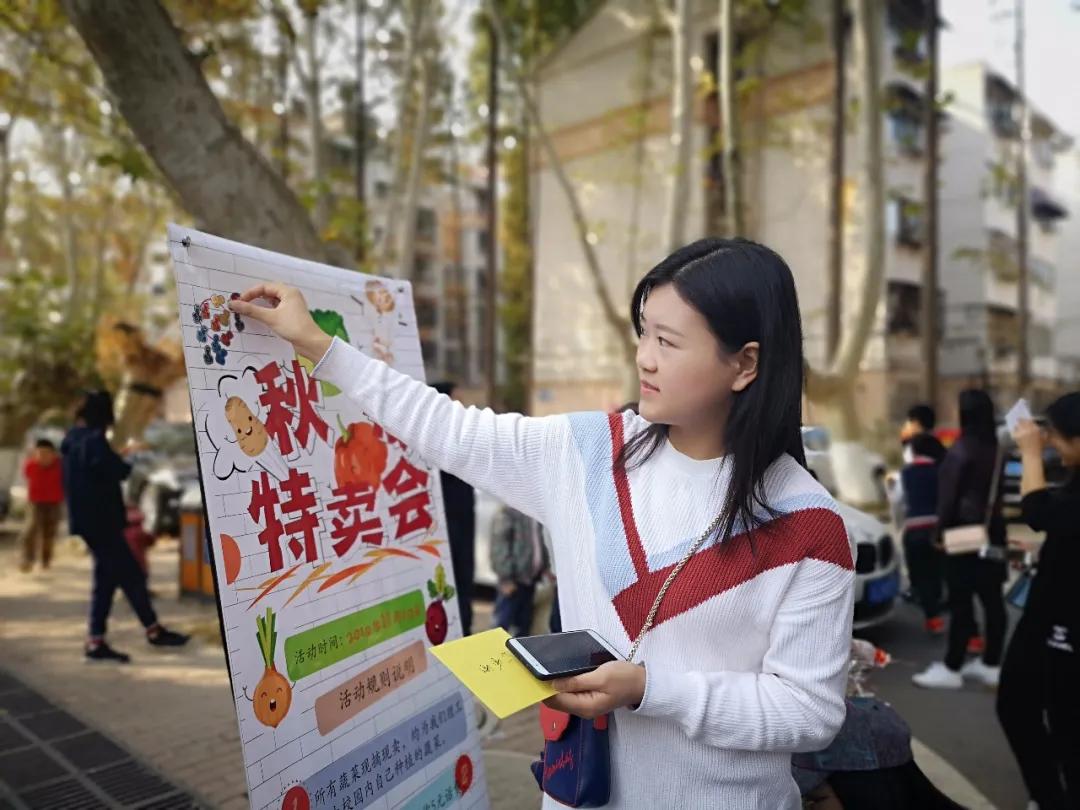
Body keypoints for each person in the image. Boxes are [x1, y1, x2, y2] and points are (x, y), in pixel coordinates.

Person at [229, 238, 856, 809]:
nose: (644, 360)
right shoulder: (586, 451)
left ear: (745, 365)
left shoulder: (811, 528)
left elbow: (807, 710)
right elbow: (447, 428)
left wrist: (647, 688)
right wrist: (319, 345)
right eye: (643, 333)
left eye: (668, 342)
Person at [61, 391, 189, 662]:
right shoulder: (94, 441)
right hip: (103, 523)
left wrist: (117, 455)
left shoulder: (72, 439)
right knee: (131, 576)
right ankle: (152, 631)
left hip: (87, 523)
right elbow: (117, 471)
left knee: (105, 581)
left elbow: (96, 468)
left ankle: (98, 640)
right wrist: (128, 458)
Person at [997, 392, 1080, 810]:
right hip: (1047, 617)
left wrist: (1030, 452)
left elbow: (1038, 511)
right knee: (1019, 705)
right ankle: (1050, 795)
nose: (1051, 443)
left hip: (1063, 627)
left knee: (1063, 725)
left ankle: (1054, 798)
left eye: (1059, 437)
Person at [913, 389, 1006, 690]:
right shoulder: (997, 447)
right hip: (993, 533)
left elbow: (948, 499)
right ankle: (992, 662)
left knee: (961, 600)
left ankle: (952, 665)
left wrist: (938, 534)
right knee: (993, 600)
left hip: (962, 534)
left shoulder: (962, 449)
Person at [432, 381, 476, 636]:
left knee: (463, 582)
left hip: (462, 528)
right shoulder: (434, 445)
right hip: (447, 531)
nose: (462, 408)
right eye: (455, 401)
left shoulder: (459, 441)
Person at [899, 432, 946, 634]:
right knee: (937, 571)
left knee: (921, 574)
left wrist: (903, 524)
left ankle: (932, 618)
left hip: (914, 530)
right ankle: (938, 601)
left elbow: (898, 503)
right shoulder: (941, 471)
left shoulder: (905, 473)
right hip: (936, 530)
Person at [490, 503, 549, 636]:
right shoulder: (508, 513)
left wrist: (544, 566)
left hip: (529, 579)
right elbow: (500, 547)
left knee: (523, 624)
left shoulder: (535, 514)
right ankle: (495, 654)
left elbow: (539, 544)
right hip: (513, 580)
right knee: (503, 623)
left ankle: (518, 654)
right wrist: (505, 578)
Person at [19, 438, 64, 572]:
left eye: (46, 453)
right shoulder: (31, 465)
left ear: (53, 454)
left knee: (49, 532)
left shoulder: (61, 465)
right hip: (35, 502)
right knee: (30, 528)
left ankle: (46, 559)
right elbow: (26, 475)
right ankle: (27, 559)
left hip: (54, 502)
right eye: (40, 453)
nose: (43, 457)